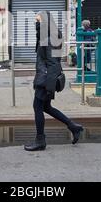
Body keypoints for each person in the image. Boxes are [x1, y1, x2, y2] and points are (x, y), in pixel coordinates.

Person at [24, 11, 84, 151]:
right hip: (46, 76)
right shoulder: (49, 34)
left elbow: (52, 62)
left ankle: (40, 140)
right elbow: (53, 59)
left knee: (38, 107)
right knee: (46, 107)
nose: (36, 24)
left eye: (37, 21)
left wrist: (49, 85)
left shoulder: (48, 36)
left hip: (45, 79)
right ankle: (73, 127)